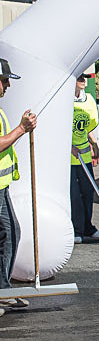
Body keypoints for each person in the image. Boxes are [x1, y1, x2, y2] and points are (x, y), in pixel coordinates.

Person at [0, 58, 37, 315]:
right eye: (4, 81)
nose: (8, 86)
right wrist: (22, 129)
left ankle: (3, 290)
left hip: (1, 187)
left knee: (10, 233)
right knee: (9, 233)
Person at [71, 75, 99, 244]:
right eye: (80, 77)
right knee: (74, 195)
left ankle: (87, 226)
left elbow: (86, 126)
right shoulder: (64, 100)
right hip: (69, 159)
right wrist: (68, 147)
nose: (83, 80)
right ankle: (77, 229)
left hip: (84, 156)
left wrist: (94, 143)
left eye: (85, 77)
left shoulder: (88, 99)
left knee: (88, 192)